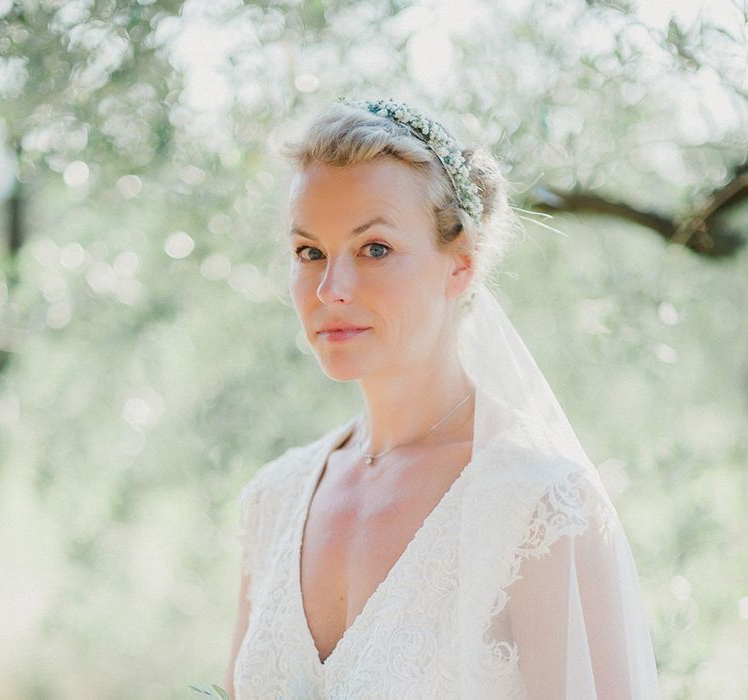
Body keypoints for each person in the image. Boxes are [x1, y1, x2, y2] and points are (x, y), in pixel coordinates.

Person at [224, 97, 661, 699]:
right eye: (310, 252)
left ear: (460, 264)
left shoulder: (537, 506)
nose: (331, 289)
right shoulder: (272, 500)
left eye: (374, 248)